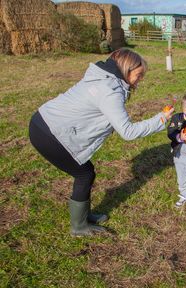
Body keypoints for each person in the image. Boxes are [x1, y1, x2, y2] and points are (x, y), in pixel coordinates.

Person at [29, 48, 174, 236]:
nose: (141, 79)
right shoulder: (109, 91)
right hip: (48, 132)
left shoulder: (103, 78)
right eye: (139, 75)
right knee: (84, 174)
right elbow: (128, 132)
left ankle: (84, 216)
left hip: (43, 122)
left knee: (86, 172)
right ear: (126, 70)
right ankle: (79, 226)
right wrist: (161, 119)